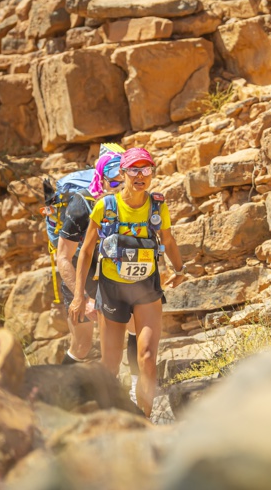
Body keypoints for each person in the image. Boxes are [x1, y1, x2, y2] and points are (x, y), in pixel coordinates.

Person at [70, 147, 187, 418]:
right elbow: (86, 250)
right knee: (110, 365)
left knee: (146, 357)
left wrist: (180, 269)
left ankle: (144, 421)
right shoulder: (106, 206)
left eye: (146, 169)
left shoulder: (157, 205)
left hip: (146, 288)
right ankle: (111, 420)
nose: (140, 175)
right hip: (112, 290)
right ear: (123, 173)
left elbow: (167, 240)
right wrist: (79, 295)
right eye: (134, 169)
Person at [56, 151, 138, 371]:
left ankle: (135, 387)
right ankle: (60, 392)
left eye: (122, 181)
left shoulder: (130, 199)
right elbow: (62, 256)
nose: (117, 187)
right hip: (78, 276)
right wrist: (80, 297)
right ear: (100, 178)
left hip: (108, 271)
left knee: (134, 325)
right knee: (82, 345)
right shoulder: (81, 204)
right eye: (112, 182)